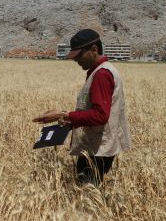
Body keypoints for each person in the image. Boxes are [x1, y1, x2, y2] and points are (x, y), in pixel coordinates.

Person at [33, 29, 131, 185]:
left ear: (94, 49)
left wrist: (64, 115)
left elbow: (101, 115)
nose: (76, 60)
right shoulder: (101, 71)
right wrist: (71, 122)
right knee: (89, 193)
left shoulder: (102, 75)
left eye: (79, 55)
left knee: (87, 195)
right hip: (97, 146)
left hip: (98, 150)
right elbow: (95, 111)